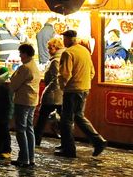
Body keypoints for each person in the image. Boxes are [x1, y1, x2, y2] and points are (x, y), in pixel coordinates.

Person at [56, 30, 107, 158]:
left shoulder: (68, 53)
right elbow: (92, 72)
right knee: (78, 116)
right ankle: (98, 141)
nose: (63, 41)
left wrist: (62, 86)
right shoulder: (84, 51)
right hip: (84, 89)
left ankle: (69, 149)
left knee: (66, 120)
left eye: (64, 38)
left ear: (67, 39)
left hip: (72, 90)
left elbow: (65, 74)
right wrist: (85, 82)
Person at [8, 43, 39, 168]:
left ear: (25, 54)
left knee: (21, 130)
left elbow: (14, 84)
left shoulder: (25, 68)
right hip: (32, 101)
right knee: (29, 129)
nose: (20, 56)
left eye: (20, 53)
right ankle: (31, 157)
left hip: (23, 100)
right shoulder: (34, 66)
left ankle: (24, 158)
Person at [34, 36, 64, 147]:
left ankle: (36, 140)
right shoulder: (59, 59)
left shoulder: (56, 61)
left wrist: (47, 90)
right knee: (62, 120)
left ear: (55, 48)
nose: (48, 51)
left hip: (53, 94)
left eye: (49, 48)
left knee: (42, 119)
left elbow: (56, 79)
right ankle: (65, 141)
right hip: (59, 95)